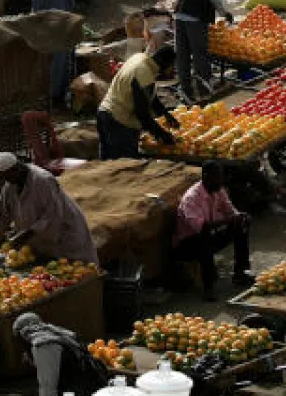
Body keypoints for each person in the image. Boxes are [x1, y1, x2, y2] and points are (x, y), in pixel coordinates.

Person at [0, 153, 97, 262]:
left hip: (64, 232)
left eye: (7, 176)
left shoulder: (43, 180)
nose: (6, 181)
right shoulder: (10, 185)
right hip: (41, 239)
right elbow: (1, 216)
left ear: (17, 169)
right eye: (3, 177)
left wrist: (24, 235)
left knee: (78, 269)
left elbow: (53, 215)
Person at [173, 162, 252, 297]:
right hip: (187, 244)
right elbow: (202, 227)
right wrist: (228, 220)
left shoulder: (218, 190)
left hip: (209, 235)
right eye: (217, 178)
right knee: (203, 242)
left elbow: (229, 210)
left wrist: (240, 217)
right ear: (205, 177)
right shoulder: (191, 198)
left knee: (241, 226)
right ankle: (208, 287)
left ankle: (240, 273)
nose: (220, 181)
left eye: (221, 177)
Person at [173, 0, 232, 103]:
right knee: (200, 53)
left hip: (179, 14)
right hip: (196, 17)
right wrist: (225, 13)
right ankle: (203, 90)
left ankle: (186, 91)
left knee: (182, 54)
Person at [97, 45, 178, 159]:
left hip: (104, 112)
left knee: (106, 164)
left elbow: (150, 97)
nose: (172, 70)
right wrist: (162, 135)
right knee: (123, 166)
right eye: (171, 65)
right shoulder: (144, 74)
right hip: (119, 121)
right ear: (163, 62)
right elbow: (142, 114)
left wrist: (165, 114)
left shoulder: (139, 58)